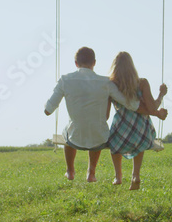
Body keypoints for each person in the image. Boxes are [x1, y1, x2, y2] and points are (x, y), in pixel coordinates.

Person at [44, 47, 140, 182]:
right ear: (94, 62)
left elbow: (48, 111)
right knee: (96, 129)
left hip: (75, 138)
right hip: (100, 139)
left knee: (68, 130)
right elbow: (131, 104)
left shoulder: (65, 80)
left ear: (76, 63)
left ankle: (70, 170)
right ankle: (91, 172)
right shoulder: (106, 82)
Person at [107, 51, 168, 190]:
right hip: (143, 132)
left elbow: (107, 113)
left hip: (121, 129)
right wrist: (161, 95)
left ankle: (118, 176)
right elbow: (152, 108)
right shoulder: (142, 83)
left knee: (113, 147)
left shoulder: (111, 85)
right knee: (140, 143)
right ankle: (135, 175)